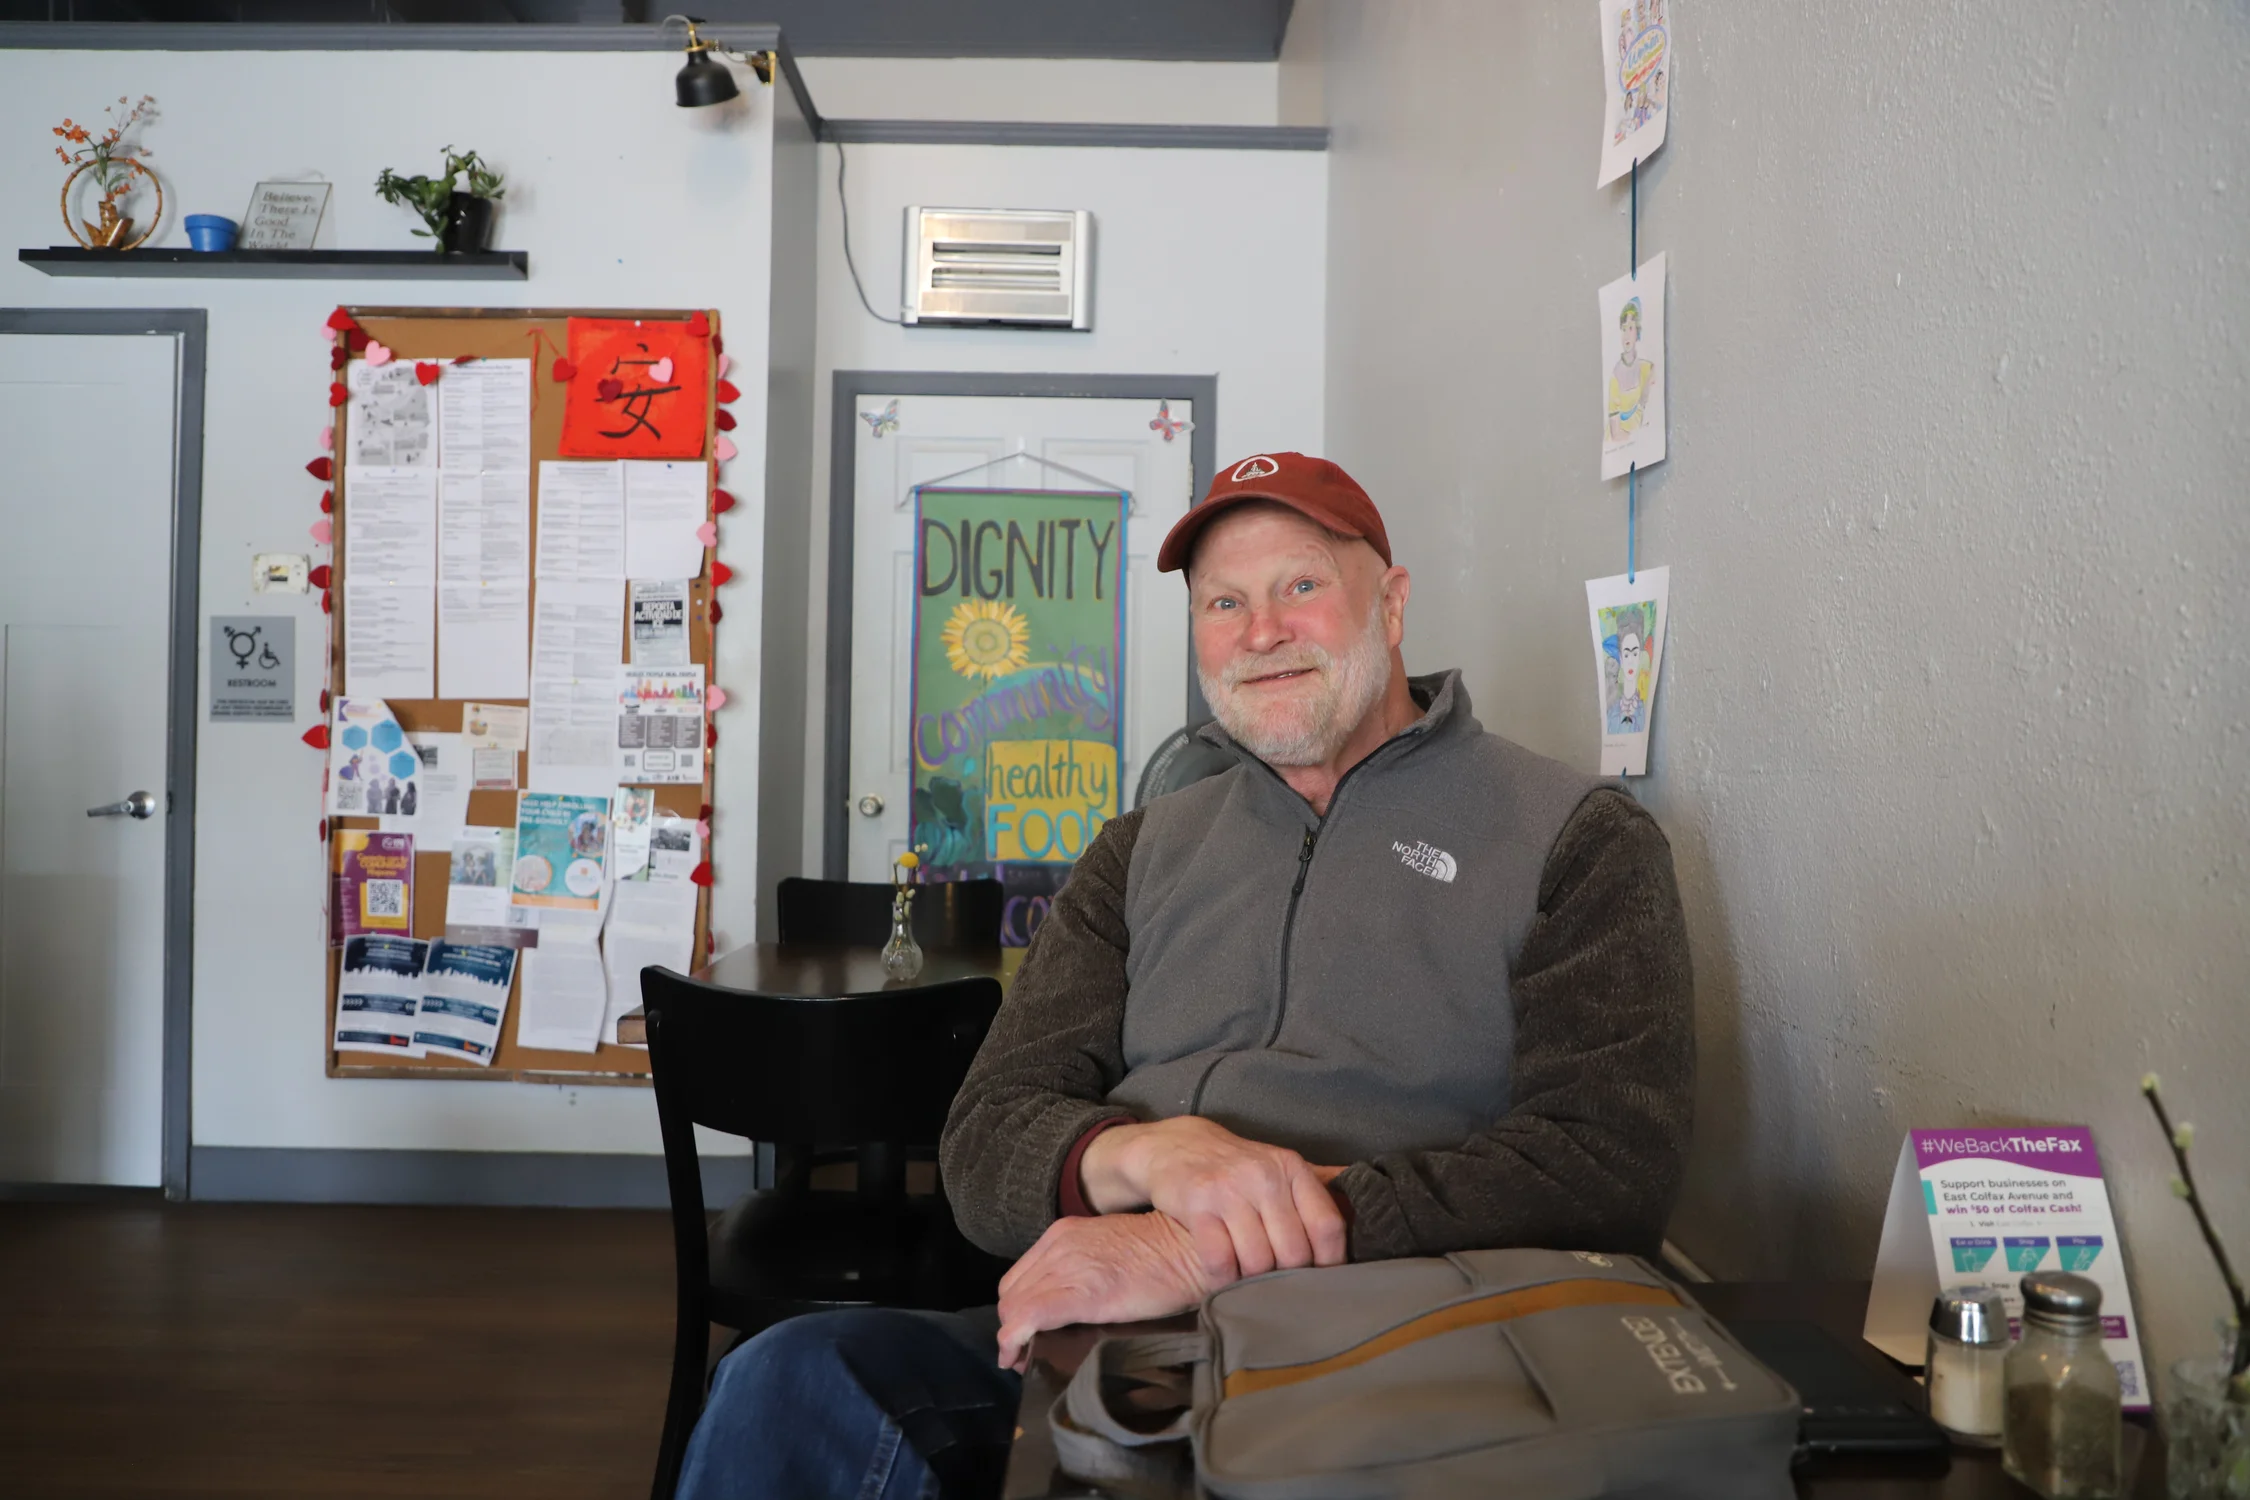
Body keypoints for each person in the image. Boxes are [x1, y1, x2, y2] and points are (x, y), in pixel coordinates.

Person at [676, 453, 1694, 1500]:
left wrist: (1216, 1242)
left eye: (1300, 586)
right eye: (1223, 601)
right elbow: (982, 1144)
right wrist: (1147, 1157)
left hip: (1408, 1340)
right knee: (787, 1380)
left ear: (1389, 604)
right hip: (1115, 1331)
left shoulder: (1573, 839)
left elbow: (1605, 1170)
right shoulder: (1141, 849)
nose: (1261, 632)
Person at [1608, 296, 1657, 443]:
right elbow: (1615, 435)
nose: (1627, 335)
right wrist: (1640, 437)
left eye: (1630, 328)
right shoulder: (1615, 376)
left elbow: (1651, 408)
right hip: (1623, 449)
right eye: (1624, 329)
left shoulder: (1647, 368)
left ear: (1638, 332)